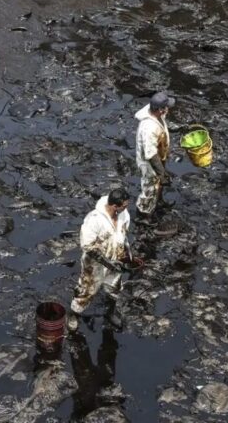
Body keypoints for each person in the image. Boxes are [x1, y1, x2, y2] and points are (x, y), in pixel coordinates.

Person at [68, 188, 131, 331]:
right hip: (95, 264)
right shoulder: (94, 219)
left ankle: (110, 313)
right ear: (115, 206)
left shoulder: (123, 214)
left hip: (116, 259)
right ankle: (74, 314)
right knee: (87, 290)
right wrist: (108, 263)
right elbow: (88, 246)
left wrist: (127, 253)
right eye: (124, 205)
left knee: (114, 288)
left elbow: (124, 234)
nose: (127, 208)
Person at [135, 91, 175, 225]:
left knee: (159, 184)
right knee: (150, 187)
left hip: (159, 154)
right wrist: (161, 173)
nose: (168, 109)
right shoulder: (148, 128)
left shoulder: (156, 113)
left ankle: (159, 202)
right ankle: (144, 216)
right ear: (159, 109)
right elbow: (150, 154)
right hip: (149, 163)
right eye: (166, 107)